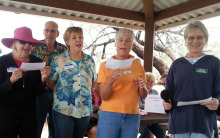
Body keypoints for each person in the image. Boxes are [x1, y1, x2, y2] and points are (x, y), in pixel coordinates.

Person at [163, 20, 220, 138]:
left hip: (204, 123)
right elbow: (168, 93)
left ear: (205, 39)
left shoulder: (214, 63)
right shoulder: (176, 65)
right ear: (185, 39)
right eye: (191, 37)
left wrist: (218, 101)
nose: (195, 41)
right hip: (179, 123)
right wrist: (166, 104)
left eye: (199, 37)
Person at [97, 28, 148, 138]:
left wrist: (142, 87)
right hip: (109, 113)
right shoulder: (104, 65)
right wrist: (110, 80)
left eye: (127, 40)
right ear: (115, 43)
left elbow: (144, 95)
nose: (123, 43)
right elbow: (104, 96)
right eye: (120, 40)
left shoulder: (138, 65)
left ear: (132, 45)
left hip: (132, 115)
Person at [0, 27, 50, 138]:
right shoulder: (2, 62)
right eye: (22, 42)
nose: (27, 45)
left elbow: (38, 92)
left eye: (30, 43)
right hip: (7, 114)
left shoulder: (37, 62)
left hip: (29, 114)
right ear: (14, 43)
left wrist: (43, 79)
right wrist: (11, 81)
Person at [48, 26, 97, 138]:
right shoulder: (58, 59)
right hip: (63, 108)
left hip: (84, 109)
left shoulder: (90, 60)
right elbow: (50, 82)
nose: (78, 40)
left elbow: (94, 81)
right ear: (67, 42)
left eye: (80, 37)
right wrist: (61, 92)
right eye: (74, 37)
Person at [31, 21, 67, 138]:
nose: (49, 33)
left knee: (55, 126)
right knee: (36, 124)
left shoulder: (64, 49)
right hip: (39, 92)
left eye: (52, 31)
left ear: (57, 33)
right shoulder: (35, 47)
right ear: (43, 32)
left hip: (57, 92)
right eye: (47, 30)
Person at [139, 72, 165, 138]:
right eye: (149, 81)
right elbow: (137, 105)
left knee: (161, 133)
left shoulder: (154, 92)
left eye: (153, 81)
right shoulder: (139, 91)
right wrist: (145, 106)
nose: (151, 83)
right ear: (144, 81)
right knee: (146, 135)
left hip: (152, 119)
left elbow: (157, 104)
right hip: (141, 120)